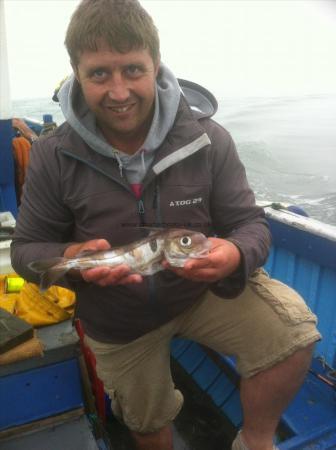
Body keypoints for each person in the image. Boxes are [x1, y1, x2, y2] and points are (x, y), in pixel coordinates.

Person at [10, 1, 321, 449]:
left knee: (293, 335)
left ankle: (256, 443)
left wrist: (233, 254)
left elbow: (249, 224)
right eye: (100, 74)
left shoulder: (209, 139)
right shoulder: (52, 154)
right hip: (115, 316)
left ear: (155, 64)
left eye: (133, 70)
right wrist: (69, 260)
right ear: (76, 72)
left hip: (199, 294)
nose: (119, 92)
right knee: (147, 416)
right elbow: (27, 248)